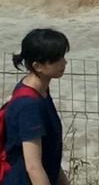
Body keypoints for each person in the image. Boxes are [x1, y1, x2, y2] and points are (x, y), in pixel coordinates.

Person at [4, 29, 71, 185]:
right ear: (38, 66)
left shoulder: (39, 91)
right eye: (57, 59)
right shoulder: (29, 105)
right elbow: (34, 166)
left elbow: (49, 155)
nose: (64, 63)